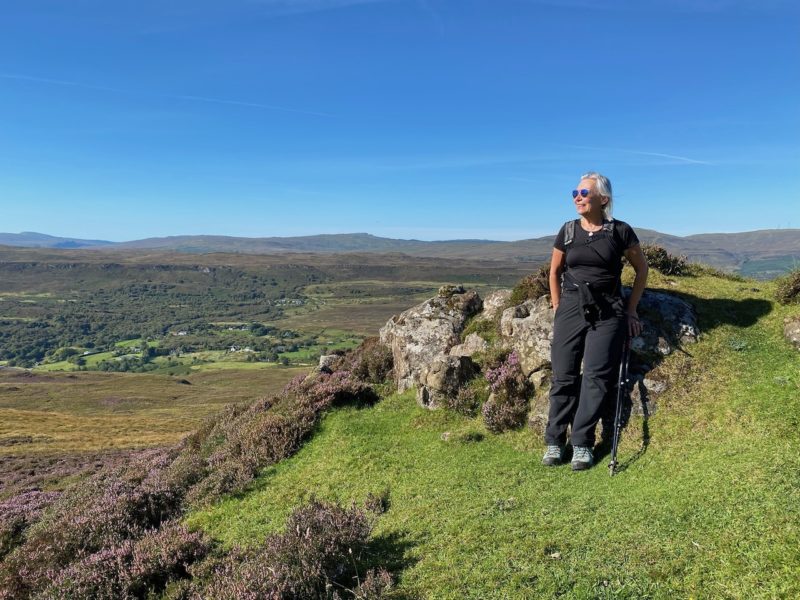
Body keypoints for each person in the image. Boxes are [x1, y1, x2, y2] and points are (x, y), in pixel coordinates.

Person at [542, 172, 648, 470]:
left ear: (603, 199)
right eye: (575, 191)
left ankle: (582, 444)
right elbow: (554, 271)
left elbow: (642, 271)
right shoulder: (567, 231)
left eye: (584, 192)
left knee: (596, 377)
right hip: (572, 307)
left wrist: (630, 310)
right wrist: (558, 306)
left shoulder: (620, 231)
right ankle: (554, 441)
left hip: (608, 310)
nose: (577, 196)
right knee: (563, 374)